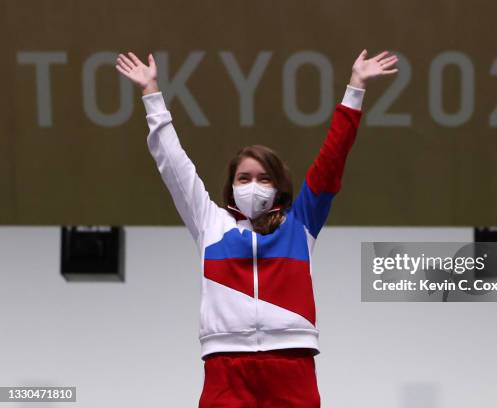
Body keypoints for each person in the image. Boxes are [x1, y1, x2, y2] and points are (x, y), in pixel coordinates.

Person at [116, 49, 398, 407]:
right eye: (244, 177)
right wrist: (151, 94)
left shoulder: (301, 224)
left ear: (279, 186)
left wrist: (355, 88)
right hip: (225, 366)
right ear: (231, 185)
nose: (253, 184)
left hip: (291, 362)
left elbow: (332, 160)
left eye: (264, 178)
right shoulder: (210, 222)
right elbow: (173, 164)